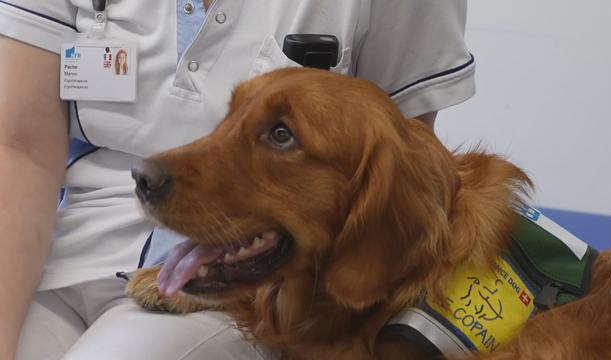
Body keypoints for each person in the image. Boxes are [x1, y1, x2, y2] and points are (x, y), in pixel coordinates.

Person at [0, 0, 476, 359]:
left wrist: (248, 284)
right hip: (59, 253)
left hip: (259, 298)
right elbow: (19, 150)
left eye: (282, 134)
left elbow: (400, 174)